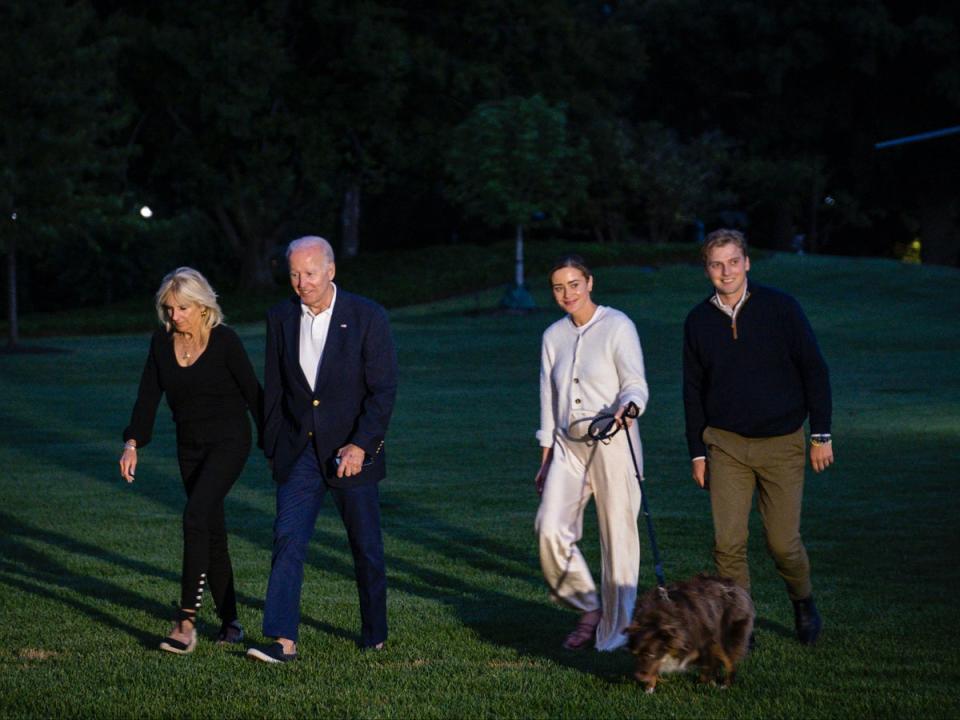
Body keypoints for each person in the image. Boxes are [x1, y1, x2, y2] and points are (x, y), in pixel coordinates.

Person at [246, 236, 398, 664]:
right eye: (294, 274)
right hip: (298, 453)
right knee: (287, 539)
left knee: (365, 546)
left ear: (331, 271)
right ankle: (282, 639)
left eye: (309, 273)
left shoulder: (367, 316)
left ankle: (374, 633)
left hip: (352, 453)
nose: (301, 282)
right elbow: (274, 390)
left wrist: (361, 445)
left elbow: (382, 390)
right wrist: (274, 447)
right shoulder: (279, 317)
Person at [682, 228, 834, 645]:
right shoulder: (698, 321)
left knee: (783, 543)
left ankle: (802, 600)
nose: (725, 271)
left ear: (746, 262)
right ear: (707, 269)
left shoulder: (781, 308)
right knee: (727, 543)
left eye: (733, 262)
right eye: (716, 264)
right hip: (725, 444)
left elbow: (814, 370)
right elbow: (692, 390)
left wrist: (820, 433)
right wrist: (698, 452)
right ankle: (741, 622)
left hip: (782, 441)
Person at [119, 267, 263, 655]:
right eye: (168, 308)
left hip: (229, 443)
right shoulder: (161, 343)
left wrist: (276, 444)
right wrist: (133, 443)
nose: (174, 316)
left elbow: (254, 394)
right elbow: (147, 397)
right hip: (190, 448)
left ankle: (185, 622)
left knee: (195, 516)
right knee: (210, 530)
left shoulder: (226, 342)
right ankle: (231, 622)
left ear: (202, 307)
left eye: (182, 308)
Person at [534, 255, 649, 651]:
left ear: (589, 283)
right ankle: (588, 606)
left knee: (618, 537)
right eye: (558, 287)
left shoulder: (618, 326)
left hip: (613, 440)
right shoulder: (553, 336)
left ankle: (615, 635)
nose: (567, 293)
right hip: (567, 447)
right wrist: (546, 454)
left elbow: (635, 384)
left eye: (574, 284)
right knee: (549, 528)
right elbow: (548, 399)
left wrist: (629, 408)